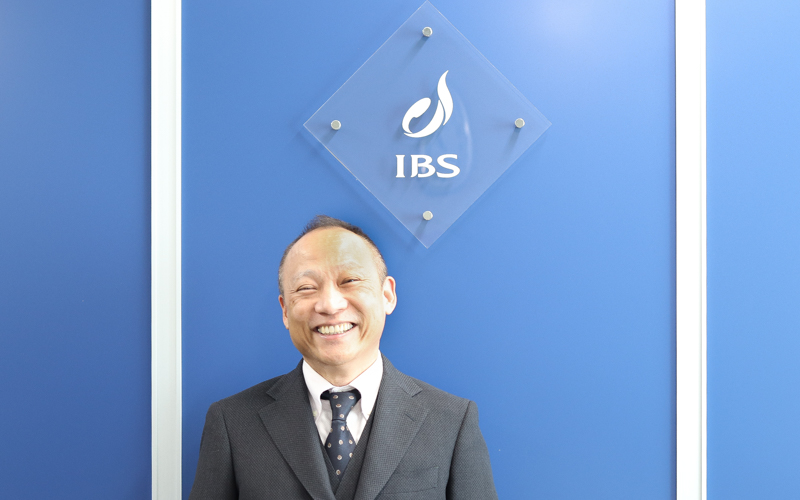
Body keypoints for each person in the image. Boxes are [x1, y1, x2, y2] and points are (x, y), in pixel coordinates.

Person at [189, 215, 497, 500]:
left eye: (349, 281)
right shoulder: (232, 422)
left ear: (387, 295)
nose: (330, 304)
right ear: (284, 310)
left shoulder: (451, 421)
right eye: (307, 287)